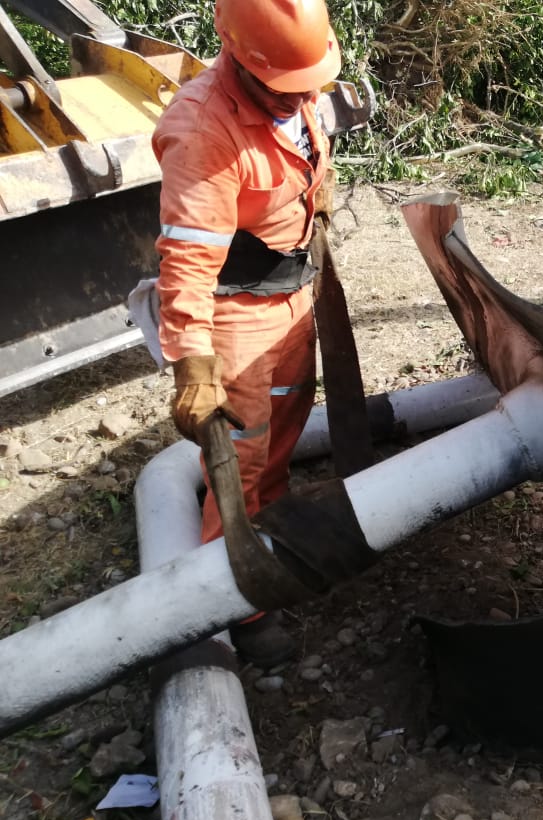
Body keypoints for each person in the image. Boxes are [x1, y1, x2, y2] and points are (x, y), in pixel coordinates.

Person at [152, 0, 341, 666]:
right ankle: (240, 604)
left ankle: (273, 548)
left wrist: (314, 190)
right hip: (235, 314)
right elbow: (187, 260)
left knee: (284, 431)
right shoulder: (203, 128)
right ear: (240, 56)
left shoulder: (296, 86)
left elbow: (301, 139)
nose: (301, 97)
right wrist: (193, 365)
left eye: (307, 83)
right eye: (285, 86)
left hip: (291, 294)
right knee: (239, 464)